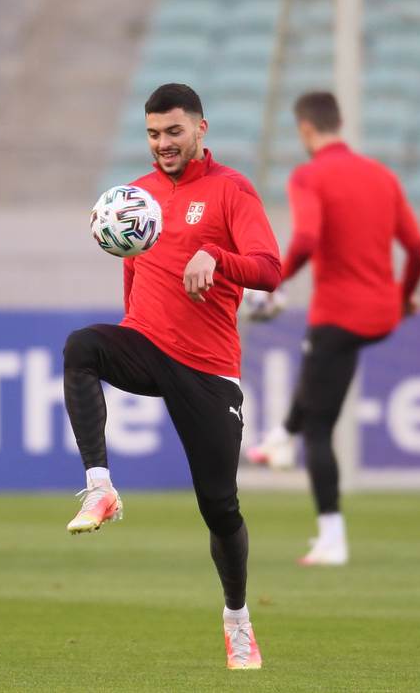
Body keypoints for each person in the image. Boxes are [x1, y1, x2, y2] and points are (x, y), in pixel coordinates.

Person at [63, 84, 280, 670]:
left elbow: (269, 268)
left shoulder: (231, 190)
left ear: (201, 130)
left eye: (174, 132)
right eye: (154, 134)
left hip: (208, 368)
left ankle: (237, 620)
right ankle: (101, 487)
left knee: (220, 508)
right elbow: (132, 274)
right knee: (82, 347)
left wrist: (217, 257)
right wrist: (130, 333)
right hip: (147, 344)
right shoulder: (136, 196)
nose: (163, 143)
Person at [248, 91, 420, 566]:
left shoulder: (309, 176)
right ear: (339, 123)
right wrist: (405, 295)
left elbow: (307, 237)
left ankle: (332, 538)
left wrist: (275, 280)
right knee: (318, 380)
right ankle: (280, 437)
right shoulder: (382, 175)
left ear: (305, 129)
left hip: (339, 314)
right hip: (381, 315)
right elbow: (418, 250)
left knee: (320, 426)